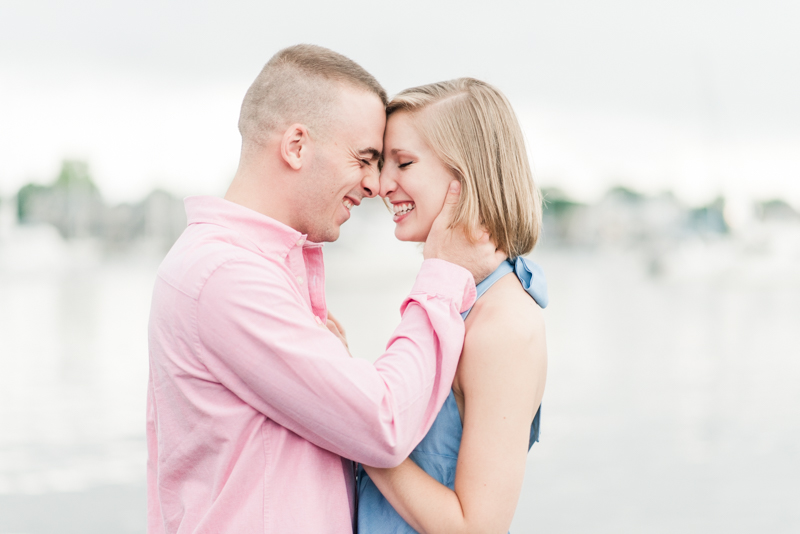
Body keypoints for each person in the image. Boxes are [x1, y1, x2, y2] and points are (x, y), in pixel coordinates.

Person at [146, 46, 504, 533]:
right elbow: (382, 425)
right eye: (366, 159)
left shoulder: (243, 268)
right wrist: (443, 273)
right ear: (296, 146)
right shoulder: (226, 277)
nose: (377, 184)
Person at [356, 78, 549, 533]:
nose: (383, 184)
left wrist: (359, 427)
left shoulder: (504, 324)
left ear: (466, 179)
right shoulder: (465, 300)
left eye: (403, 163)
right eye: (385, 163)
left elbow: (474, 528)